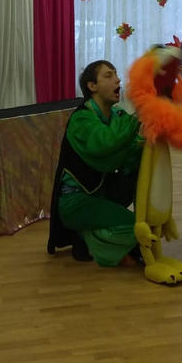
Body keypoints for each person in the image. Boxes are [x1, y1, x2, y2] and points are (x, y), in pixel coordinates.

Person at [46, 60, 144, 267]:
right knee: (135, 227)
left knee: (133, 174)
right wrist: (138, 118)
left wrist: (143, 139)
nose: (118, 80)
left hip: (100, 191)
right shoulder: (81, 119)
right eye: (108, 75)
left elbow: (128, 157)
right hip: (75, 201)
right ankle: (89, 237)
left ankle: (92, 233)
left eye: (116, 74)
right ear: (92, 86)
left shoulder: (117, 115)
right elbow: (105, 143)